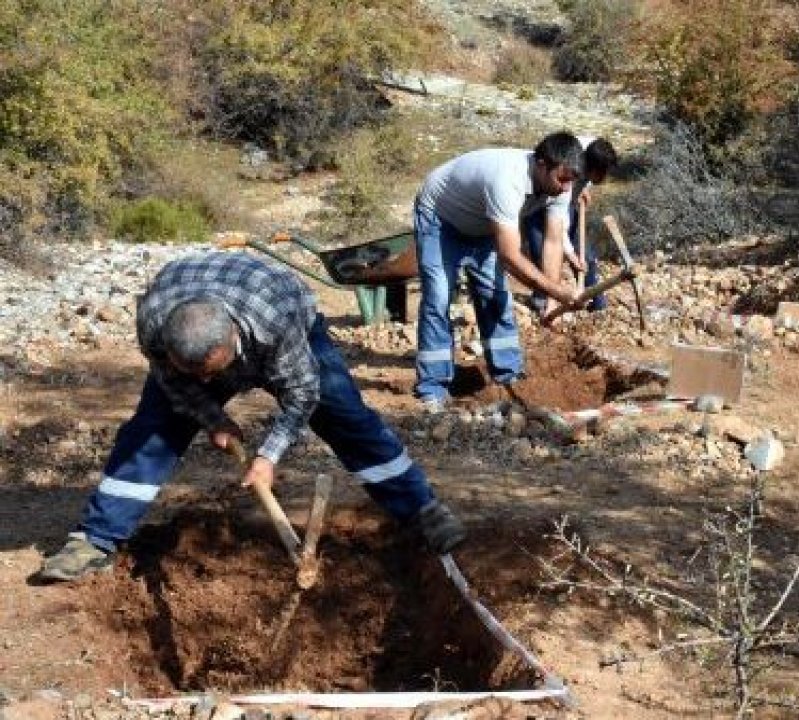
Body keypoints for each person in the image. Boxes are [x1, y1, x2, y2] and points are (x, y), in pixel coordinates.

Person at [39, 252, 465, 582]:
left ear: (233, 338)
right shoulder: (154, 325)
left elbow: (302, 394)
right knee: (153, 431)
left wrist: (267, 457)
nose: (210, 380)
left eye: (214, 371)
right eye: (199, 374)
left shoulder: (274, 322)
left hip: (286, 316)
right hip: (198, 314)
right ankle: (94, 540)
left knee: (345, 415)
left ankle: (421, 510)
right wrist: (213, 418)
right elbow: (173, 382)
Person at [412, 131, 585, 412]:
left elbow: (553, 242)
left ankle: (508, 375)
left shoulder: (561, 186)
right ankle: (433, 387)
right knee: (438, 298)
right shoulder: (507, 180)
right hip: (441, 220)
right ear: (541, 165)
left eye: (571, 181)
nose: (566, 188)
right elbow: (510, 256)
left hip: (484, 226)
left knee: (495, 296)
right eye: (562, 179)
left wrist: (552, 299)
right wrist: (557, 290)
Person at [521, 136, 619, 313]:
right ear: (592, 168)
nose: (605, 178)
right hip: (538, 206)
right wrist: (571, 254)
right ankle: (543, 300)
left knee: (586, 258)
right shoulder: (568, 178)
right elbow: (559, 228)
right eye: (603, 173)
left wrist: (586, 188)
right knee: (540, 252)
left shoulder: (592, 150)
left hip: (564, 207)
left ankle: (595, 303)